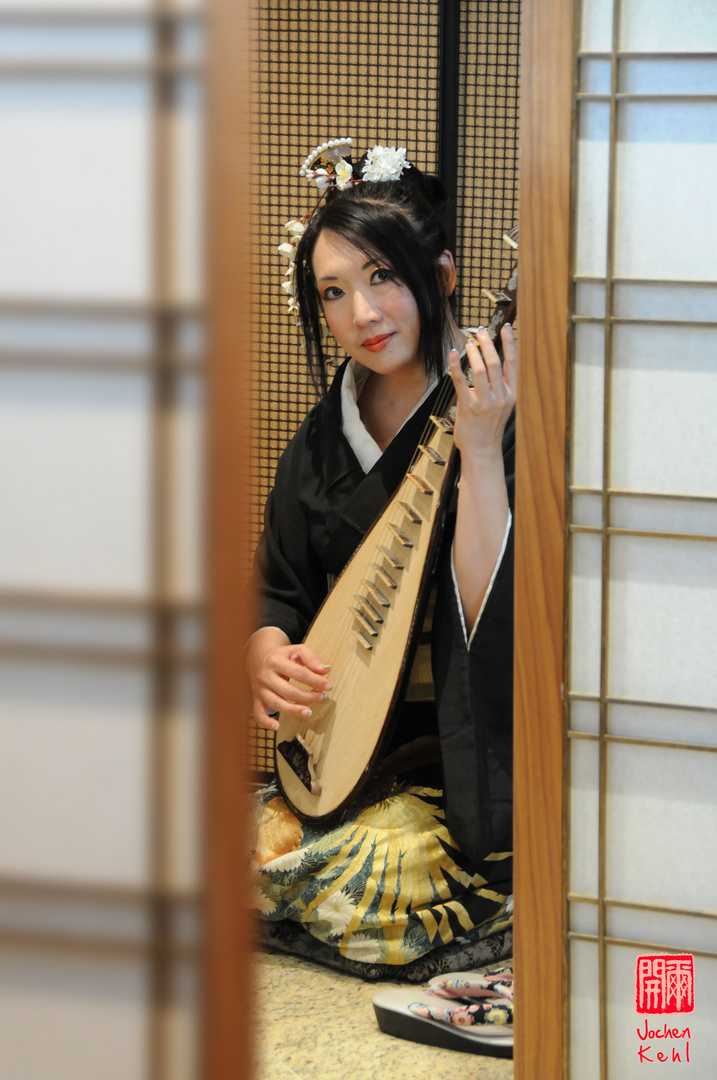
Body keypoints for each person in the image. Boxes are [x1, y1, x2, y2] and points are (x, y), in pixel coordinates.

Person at [247, 140, 517, 981]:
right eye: (333, 292)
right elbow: (280, 587)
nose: (362, 313)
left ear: (438, 275)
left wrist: (479, 448)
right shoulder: (322, 438)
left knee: (381, 873)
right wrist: (263, 649)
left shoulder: (492, 402)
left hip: (453, 752)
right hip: (343, 744)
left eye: (381, 277)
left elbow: (489, 610)